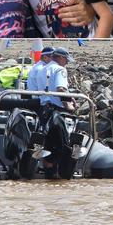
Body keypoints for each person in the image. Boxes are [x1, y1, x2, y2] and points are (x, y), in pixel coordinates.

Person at [38, 47, 77, 179]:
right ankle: (61, 176)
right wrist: (69, 105)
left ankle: (49, 177)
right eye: (66, 60)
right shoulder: (60, 69)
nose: (66, 63)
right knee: (61, 146)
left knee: (48, 144)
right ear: (60, 58)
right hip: (56, 112)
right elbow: (60, 88)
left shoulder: (42, 69)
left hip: (43, 110)